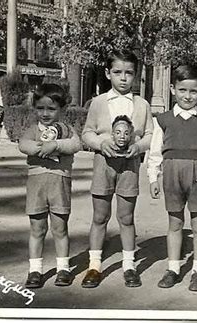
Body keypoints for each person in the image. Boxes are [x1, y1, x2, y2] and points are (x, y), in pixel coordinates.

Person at [81, 49, 153, 288]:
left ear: (136, 75)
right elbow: (87, 132)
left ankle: (129, 265)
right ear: (107, 73)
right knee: (100, 217)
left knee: (126, 217)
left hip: (130, 167)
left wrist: (139, 146)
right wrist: (101, 143)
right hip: (104, 164)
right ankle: (94, 266)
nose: (123, 78)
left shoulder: (142, 104)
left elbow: (151, 135)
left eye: (129, 73)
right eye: (117, 72)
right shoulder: (99, 102)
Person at [147, 65, 197, 292]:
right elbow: (154, 153)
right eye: (182, 90)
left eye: (193, 91)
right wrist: (153, 178)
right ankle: (173, 268)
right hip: (171, 175)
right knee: (175, 223)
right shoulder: (163, 120)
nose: (187, 96)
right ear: (172, 89)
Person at [18, 83, 82, 288]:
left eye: (51, 108)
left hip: (59, 181)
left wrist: (56, 145)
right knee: (37, 228)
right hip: (36, 183)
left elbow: (76, 144)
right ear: (35, 108)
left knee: (59, 227)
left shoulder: (65, 130)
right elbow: (23, 144)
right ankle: (35, 270)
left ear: (61, 110)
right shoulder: (32, 130)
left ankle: (63, 268)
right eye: (41, 108)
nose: (45, 113)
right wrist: (40, 148)